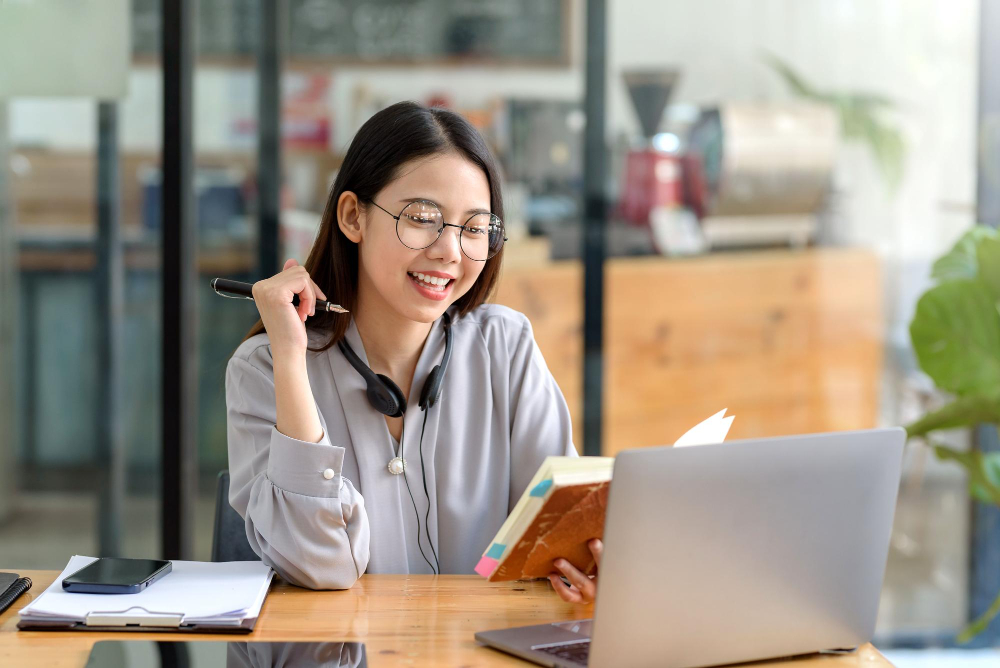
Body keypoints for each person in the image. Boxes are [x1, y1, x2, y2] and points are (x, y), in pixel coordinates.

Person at [225, 101, 602, 604]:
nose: (450, 250)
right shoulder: (265, 370)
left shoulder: (505, 348)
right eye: (423, 218)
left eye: (474, 228)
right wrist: (293, 362)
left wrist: (595, 561)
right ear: (353, 216)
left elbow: (562, 533)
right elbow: (321, 563)